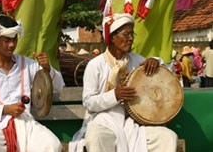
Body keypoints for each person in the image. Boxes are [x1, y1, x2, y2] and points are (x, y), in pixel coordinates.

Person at [69, 13, 178, 152]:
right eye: (126, 35)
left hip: (132, 125)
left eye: (132, 34)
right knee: (96, 137)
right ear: (113, 37)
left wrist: (156, 61)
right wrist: (114, 95)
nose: (131, 39)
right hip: (103, 121)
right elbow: (89, 102)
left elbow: (164, 75)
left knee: (167, 137)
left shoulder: (137, 61)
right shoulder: (95, 65)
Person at [0, 14, 64, 152]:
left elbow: (59, 86)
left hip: (25, 122)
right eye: (7, 40)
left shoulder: (27, 64)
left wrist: (47, 69)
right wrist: (5, 109)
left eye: (14, 39)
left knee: (52, 145)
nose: (12, 44)